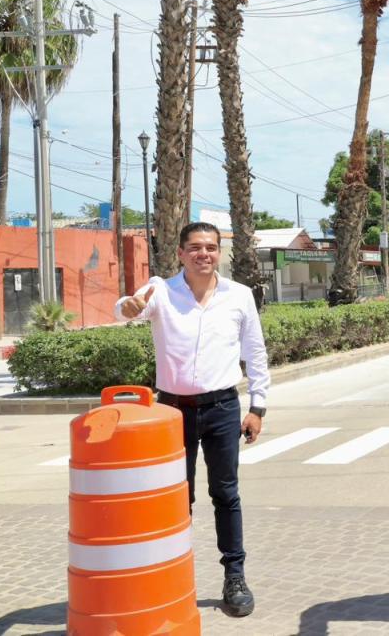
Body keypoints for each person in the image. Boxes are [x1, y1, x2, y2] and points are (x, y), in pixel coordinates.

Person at [114, 221, 270, 617]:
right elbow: (127, 308)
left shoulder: (239, 296)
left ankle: (234, 576)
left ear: (220, 253)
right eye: (196, 247)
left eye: (212, 248)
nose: (205, 254)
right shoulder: (161, 291)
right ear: (181, 253)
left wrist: (257, 406)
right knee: (175, 499)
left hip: (222, 408)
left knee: (226, 494)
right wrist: (127, 307)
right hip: (172, 411)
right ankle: (171, 577)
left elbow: (255, 351)